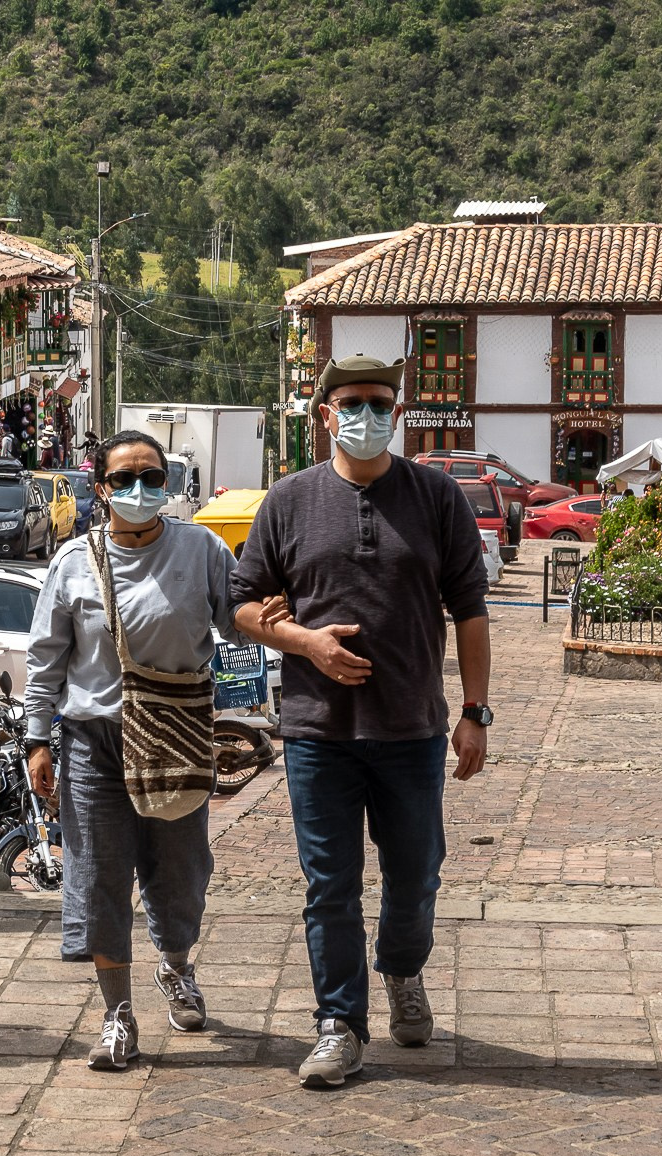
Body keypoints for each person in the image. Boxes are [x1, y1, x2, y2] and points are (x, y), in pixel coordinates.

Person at [232, 354, 492, 1089]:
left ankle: (403, 971)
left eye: (381, 403)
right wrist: (304, 641)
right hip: (319, 733)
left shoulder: (437, 498)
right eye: (352, 402)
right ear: (324, 413)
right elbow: (244, 602)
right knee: (330, 885)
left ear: (398, 413)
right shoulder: (288, 501)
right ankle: (339, 1023)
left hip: (412, 729)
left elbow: (471, 611)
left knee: (416, 877)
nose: (367, 415)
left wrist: (474, 712)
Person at [25, 430, 239, 1070]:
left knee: (179, 869)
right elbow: (46, 661)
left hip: (177, 734)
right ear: (102, 489)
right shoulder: (73, 563)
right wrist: (37, 740)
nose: (140, 490)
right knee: (98, 876)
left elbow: (241, 617)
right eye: (124, 479)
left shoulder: (201, 549)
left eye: (152, 476)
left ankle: (176, 967)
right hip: (95, 743)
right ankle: (116, 1012)